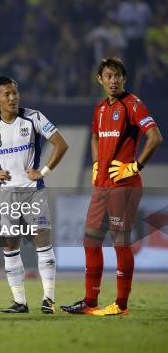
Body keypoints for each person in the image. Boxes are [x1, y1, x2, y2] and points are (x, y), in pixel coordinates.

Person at [61, 57, 162, 316]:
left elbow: (155, 137)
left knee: (120, 242)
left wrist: (135, 166)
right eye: (108, 76)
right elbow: (95, 136)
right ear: (100, 79)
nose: (113, 80)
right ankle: (90, 302)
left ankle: (121, 304)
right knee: (91, 240)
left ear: (124, 79)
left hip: (124, 185)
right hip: (102, 186)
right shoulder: (100, 108)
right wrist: (96, 163)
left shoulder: (133, 105)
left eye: (118, 75)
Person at [0, 76, 68, 314]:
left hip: (33, 192)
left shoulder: (33, 117)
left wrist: (42, 171)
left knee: (43, 244)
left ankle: (48, 299)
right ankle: (19, 302)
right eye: (6, 94)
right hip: (5, 195)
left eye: (15, 93)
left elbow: (60, 144)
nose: (12, 98)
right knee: (9, 247)